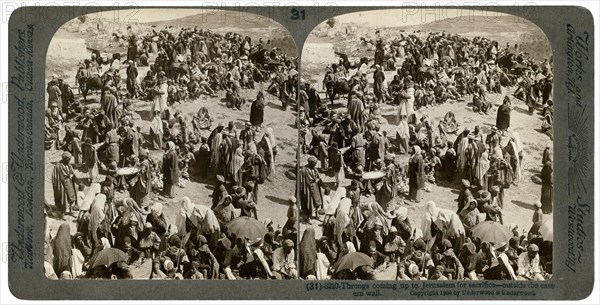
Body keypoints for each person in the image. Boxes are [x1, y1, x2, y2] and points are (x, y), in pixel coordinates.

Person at [52, 152, 78, 218]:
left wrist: (72, 175)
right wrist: (58, 185)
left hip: (69, 182)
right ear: (65, 159)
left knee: (71, 196)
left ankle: (71, 210)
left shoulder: (68, 164)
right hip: (62, 184)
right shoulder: (57, 166)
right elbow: (55, 177)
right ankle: (62, 213)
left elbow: (72, 172)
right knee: (63, 198)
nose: (69, 160)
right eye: (68, 159)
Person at [298, 156, 323, 221]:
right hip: (308, 188)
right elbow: (310, 179)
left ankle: (316, 214)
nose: (315, 165)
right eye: (314, 163)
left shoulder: (314, 169)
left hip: (315, 187)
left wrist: (317, 178)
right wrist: (315, 180)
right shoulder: (305, 170)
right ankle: (309, 215)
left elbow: (317, 176)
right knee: (310, 201)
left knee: (317, 200)